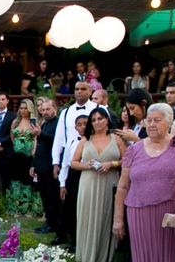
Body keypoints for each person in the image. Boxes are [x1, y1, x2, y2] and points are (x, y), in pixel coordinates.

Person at [113, 103, 175, 262]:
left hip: (170, 212)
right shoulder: (134, 149)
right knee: (142, 256)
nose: (151, 124)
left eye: (157, 120)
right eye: (148, 120)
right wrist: (118, 219)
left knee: (170, 256)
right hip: (137, 213)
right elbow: (123, 186)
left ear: (169, 122)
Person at [71, 108, 125, 262]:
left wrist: (112, 163)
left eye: (100, 118)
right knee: (87, 218)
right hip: (88, 184)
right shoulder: (85, 140)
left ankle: (104, 256)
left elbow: (127, 161)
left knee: (106, 218)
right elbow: (73, 163)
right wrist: (88, 165)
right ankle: (86, 256)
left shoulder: (117, 138)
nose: (97, 122)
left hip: (109, 183)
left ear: (107, 119)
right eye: (93, 120)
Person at [51, 81, 96, 180]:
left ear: (90, 91)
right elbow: (59, 138)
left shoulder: (98, 109)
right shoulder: (65, 112)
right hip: (70, 163)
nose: (79, 91)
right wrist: (56, 162)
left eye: (83, 89)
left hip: (94, 162)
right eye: (77, 89)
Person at [30, 99, 60, 239]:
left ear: (54, 108)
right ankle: (48, 221)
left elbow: (56, 140)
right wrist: (34, 165)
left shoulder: (58, 123)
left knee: (51, 197)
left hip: (50, 166)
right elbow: (39, 146)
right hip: (41, 165)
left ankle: (53, 223)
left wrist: (40, 134)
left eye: (48, 109)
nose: (45, 112)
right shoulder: (44, 123)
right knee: (44, 196)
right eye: (43, 110)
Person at [58, 114, 88, 252]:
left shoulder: (93, 141)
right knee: (71, 209)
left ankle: (85, 240)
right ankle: (74, 240)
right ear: (75, 127)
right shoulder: (71, 140)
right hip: (73, 176)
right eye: (79, 124)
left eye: (85, 123)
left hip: (87, 175)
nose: (82, 126)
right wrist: (62, 184)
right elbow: (65, 163)